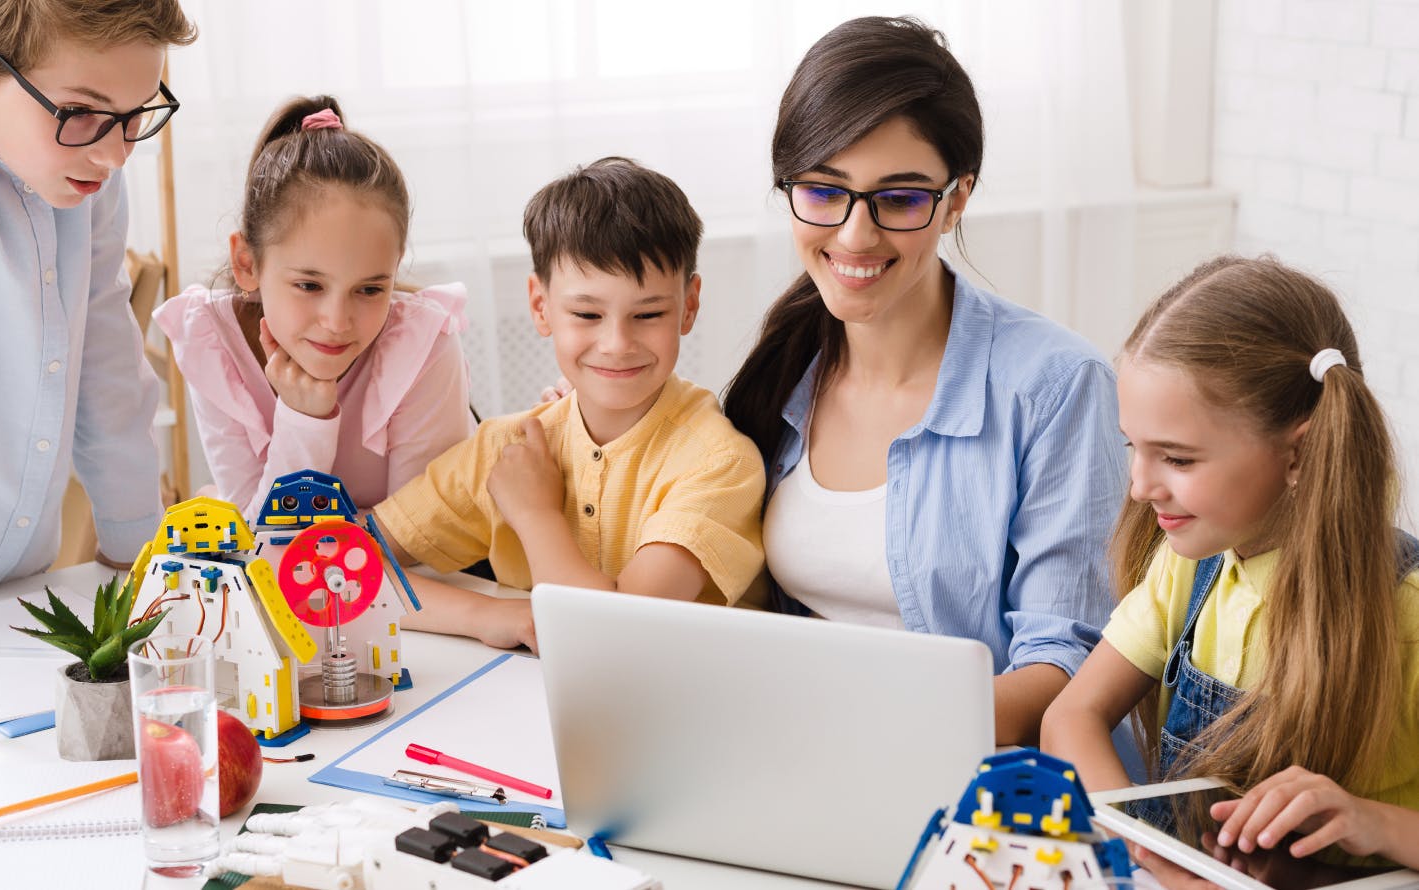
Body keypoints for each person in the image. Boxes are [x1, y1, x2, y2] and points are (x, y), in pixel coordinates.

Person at [722, 16, 1125, 747]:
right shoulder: (784, 371)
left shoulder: (1058, 386)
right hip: (800, 751)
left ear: (957, 197)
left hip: (977, 775)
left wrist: (879, 734)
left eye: (900, 199)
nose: (853, 236)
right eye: (823, 191)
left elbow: (1066, 661)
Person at [1041, 256, 1419, 874]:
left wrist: (1370, 820)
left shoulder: (1407, 611)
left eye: (1179, 460)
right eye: (1134, 447)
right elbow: (1071, 716)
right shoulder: (1187, 569)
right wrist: (1155, 861)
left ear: (1300, 453)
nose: (1139, 488)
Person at [374, 157, 765, 653]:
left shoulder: (720, 465)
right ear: (541, 307)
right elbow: (335, 566)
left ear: (688, 306)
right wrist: (486, 614)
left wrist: (535, 516)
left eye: (648, 313)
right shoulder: (506, 449)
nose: (616, 343)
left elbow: (608, 640)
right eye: (586, 313)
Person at [153, 96, 475, 523]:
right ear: (246, 263)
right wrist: (304, 419)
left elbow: (420, 539)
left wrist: (260, 516)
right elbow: (261, 547)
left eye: (370, 289)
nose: (337, 322)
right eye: (309, 285)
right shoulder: (212, 345)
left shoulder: (424, 348)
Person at [0, 0, 195, 582]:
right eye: (81, 111)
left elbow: (101, 345)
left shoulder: (86, 171)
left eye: (135, 114)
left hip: (18, 579)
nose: (116, 154)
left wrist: (133, 542)